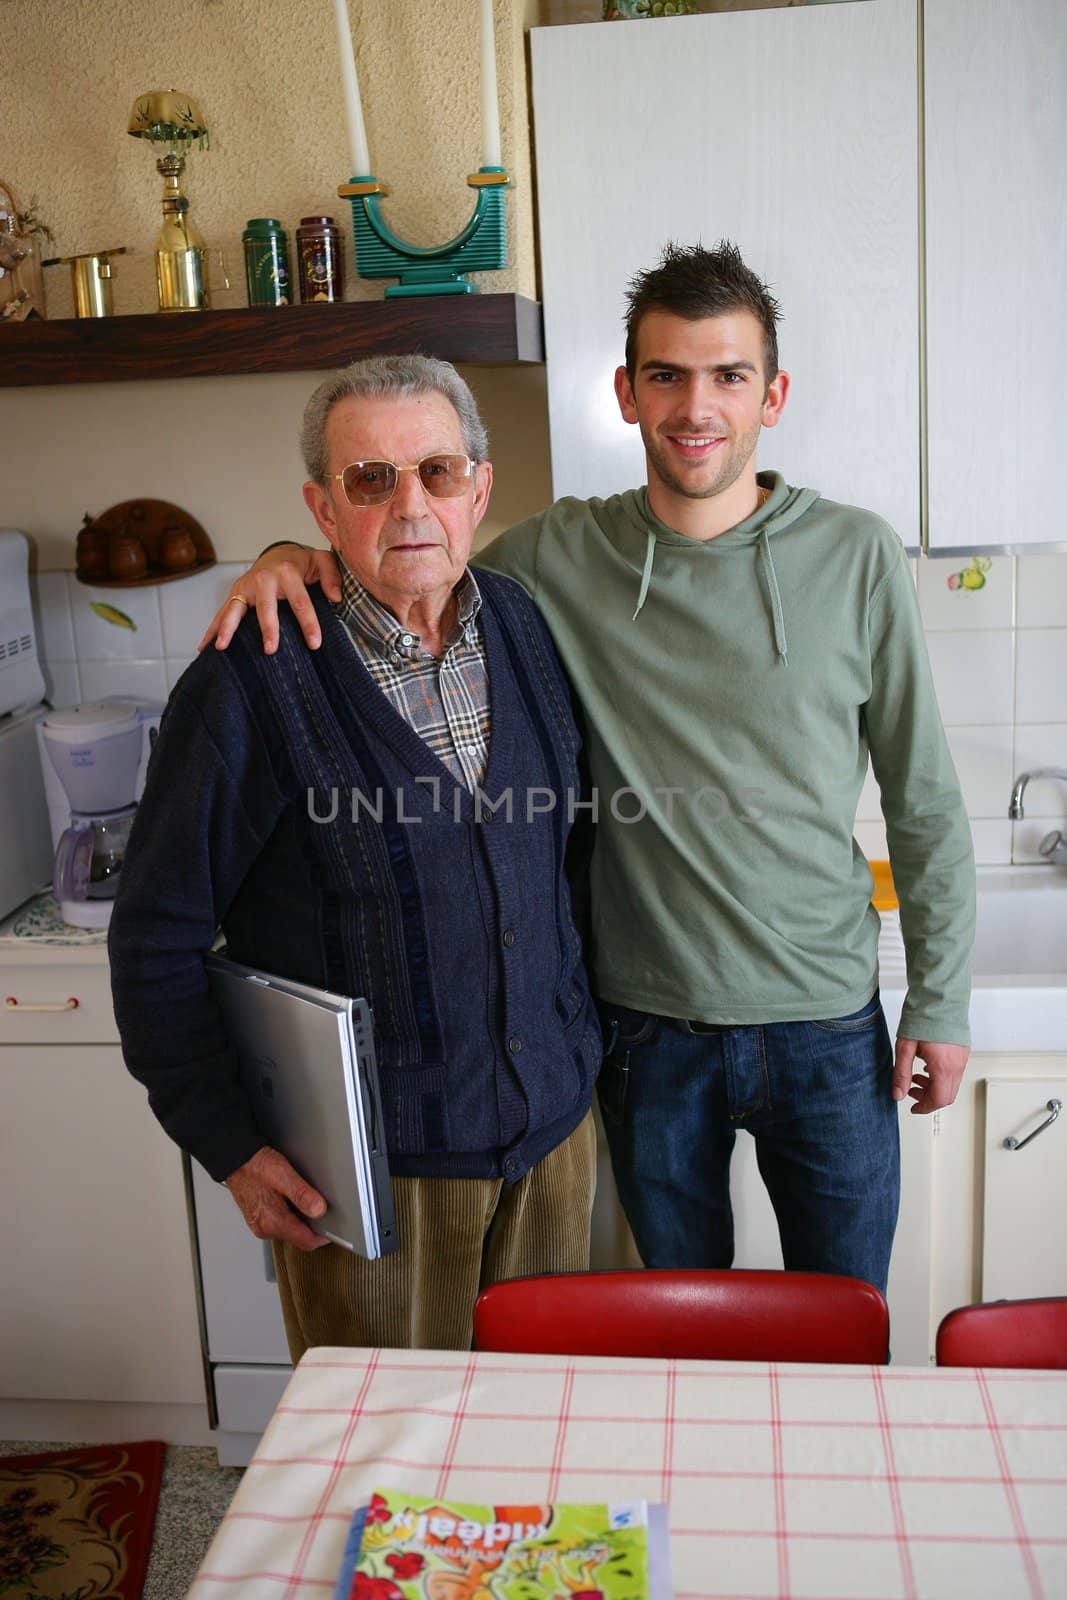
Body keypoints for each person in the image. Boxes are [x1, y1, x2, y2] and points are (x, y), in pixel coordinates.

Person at [202, 243, 975, 1296]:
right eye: (664, 374)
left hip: (825, 1024)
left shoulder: (856, 556)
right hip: (642, 1033)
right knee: (670, 1346)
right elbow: (409, 538)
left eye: (727, 375)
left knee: (842, 1325)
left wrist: (940, 997)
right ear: (624, 391)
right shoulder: (550, 559)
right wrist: (292, 556)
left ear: (771, 394)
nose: (694, 406)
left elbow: (922, 797)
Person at [109, 355, 601, 1359]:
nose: (409, 505)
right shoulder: (250, 680)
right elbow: (153, 939)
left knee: (547, 1451)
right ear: (322, 508)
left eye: (436, 472)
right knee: (388, 1479)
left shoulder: (521, 624)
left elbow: (566, 864)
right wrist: (231, 1145)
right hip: (376, 1173)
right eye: (369, 480)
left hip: (553, 1146)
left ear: (479, 490)